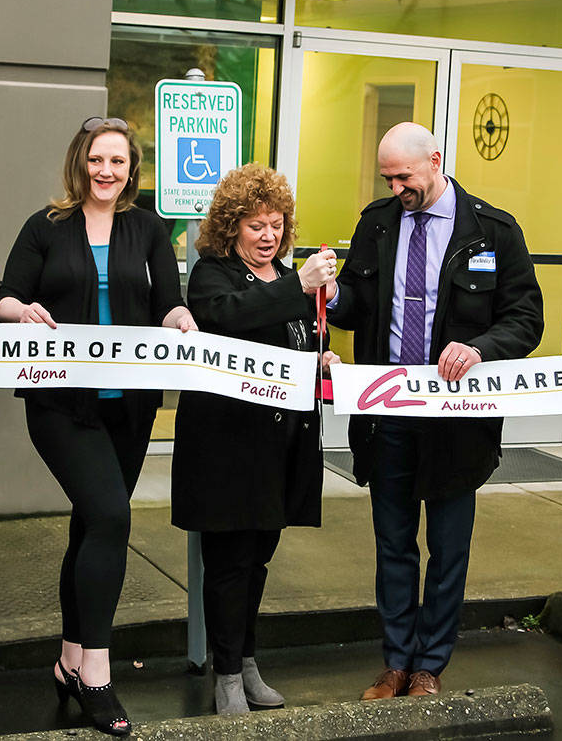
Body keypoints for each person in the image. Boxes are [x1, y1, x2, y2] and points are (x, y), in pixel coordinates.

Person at [324, 122, 543, 700]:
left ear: (436, 161)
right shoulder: (376, 222)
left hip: (457, 420)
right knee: (393, 542)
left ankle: (429, 667)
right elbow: (356, 303)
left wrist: (480, 349)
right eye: (388, 178)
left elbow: (525, 319)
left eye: (405, 176)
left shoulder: (492, 231)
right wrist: (328, 294)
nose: (397, 188)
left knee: (448, 548)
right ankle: (396, 661)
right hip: (387, 415)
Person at [0, 117, 195, 737]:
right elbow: (2, 298)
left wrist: (182, 316)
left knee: (91, 523)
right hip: (61, 403)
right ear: (80, 163)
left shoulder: (149, 229)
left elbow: (169, 300)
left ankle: (68, 658)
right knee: (110, 515)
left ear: (132, 170)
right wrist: (20, 311)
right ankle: (97, 673)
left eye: (118, 162)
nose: (106, 172)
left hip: (129, 406)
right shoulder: (45, 226)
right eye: (96, 160)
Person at [170, 164, 339, 716]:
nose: (268, 235)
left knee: (259, 559)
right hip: (228, 449)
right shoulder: (213, 275)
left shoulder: (287, 276)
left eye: (276, 224)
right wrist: (301, 286)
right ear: (230, 227)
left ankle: (246, 663)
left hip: (282, 446)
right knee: (228, 564)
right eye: (255, 225)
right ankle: (224, 678)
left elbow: (295, 341)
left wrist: (321, 359)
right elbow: (228, 319)